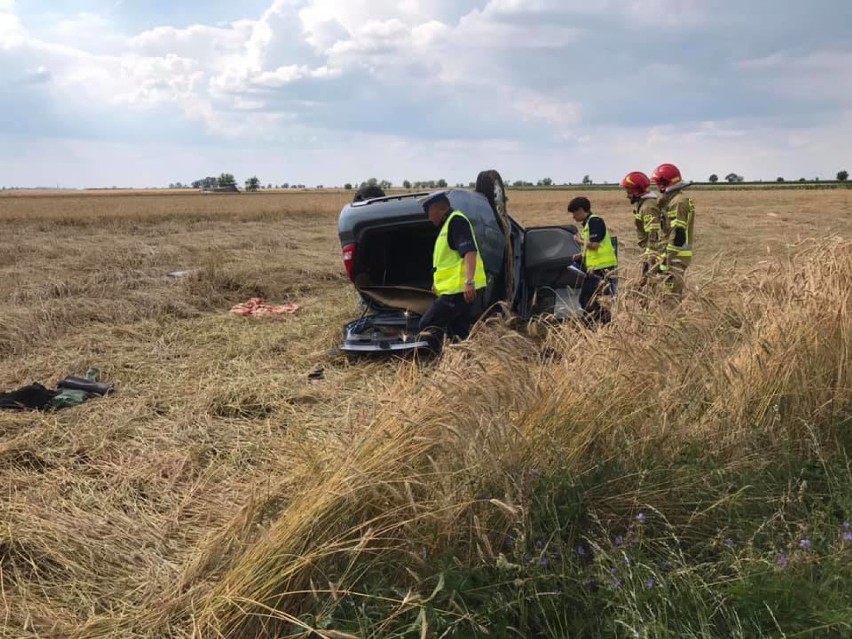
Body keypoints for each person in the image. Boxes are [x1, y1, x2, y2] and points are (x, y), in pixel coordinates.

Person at [417, 192, 487, 352]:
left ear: (437, 208)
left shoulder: (456, 221)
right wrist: (437, 284)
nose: (428, 217)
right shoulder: (449, 224)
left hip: (460, 291)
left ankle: (438, 360)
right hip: (458, 290)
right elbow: (449, 262)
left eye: (428, 212)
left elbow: (469, 252)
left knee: (427, 324)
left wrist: (469, 281)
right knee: (458, 332)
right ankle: (461, 366)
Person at [567, 196, 618, 326]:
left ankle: (601, 324)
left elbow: (595, 245)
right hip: (595, 268)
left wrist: (580, 241)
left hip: (602, 268)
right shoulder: (588, 224)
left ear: (580, 210)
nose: (573, 216)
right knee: (591, 300)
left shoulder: (595, 221)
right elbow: (593, 248)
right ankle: (603, 324)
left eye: (574, 212)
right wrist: (581, 255)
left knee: (586, 299)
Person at [651, 163, 695, 297]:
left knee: (671, 299)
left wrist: (666, 259)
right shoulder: (673, 200)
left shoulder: (678, 202)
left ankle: (675, 319)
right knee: (665, 296)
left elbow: (678, 235)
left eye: (658, 184)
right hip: (672, 255)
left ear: (664, 184)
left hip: (676, 257)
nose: (657, 188)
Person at [619, 171, 664, 283]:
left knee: (651, 284)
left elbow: (653, 234)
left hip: (653, 253)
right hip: (649, 252)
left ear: (637, 191)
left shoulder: (648, 207)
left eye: (629, 191)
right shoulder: (643, 204)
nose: (627, 195)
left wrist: (651, 258)